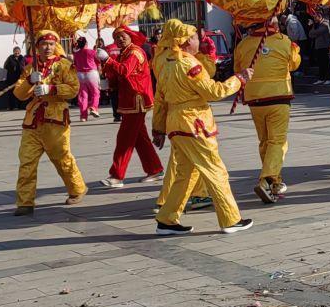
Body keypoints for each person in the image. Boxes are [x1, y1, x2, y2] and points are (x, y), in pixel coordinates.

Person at [152, 19, 254, 235]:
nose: (199, 40)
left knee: (185, 174)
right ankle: (230, 219)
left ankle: (167, 219)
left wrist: (158, 128)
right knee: (215, 170)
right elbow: (213, 92)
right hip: (194, 124)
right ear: (187, 41)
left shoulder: (164, 63)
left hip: (175, 122)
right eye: (196, 37)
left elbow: (160, 99)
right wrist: (238, 80)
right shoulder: (189, 64)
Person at [12, 30, 88, 216]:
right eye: (44, 44)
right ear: (37, 46)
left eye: (51, 44)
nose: (47, 47)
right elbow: (19, 94)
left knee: (62, 158)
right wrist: (30, 81)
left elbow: (73, 90)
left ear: (56, 46)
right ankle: (25, 202)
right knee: (26, 161)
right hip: (32, 122)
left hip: (56, 120)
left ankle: (77, 188)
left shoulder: (64, 65)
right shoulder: (31, 67)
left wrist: (51, 88)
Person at [232, 18, 302, 203]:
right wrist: (295, 50)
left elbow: (238, 69)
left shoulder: (243, 44)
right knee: (277, 142)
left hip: (255, 99)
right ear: (274, 25)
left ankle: (275, 182)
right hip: (278, 97)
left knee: (265, 141)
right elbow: (294, 64)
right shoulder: (283, 41)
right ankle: (268, 179)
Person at [96, 26, 163, 188]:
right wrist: (108, 80)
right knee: (140, 139)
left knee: (124, 139)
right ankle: (155, 169)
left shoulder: (134, 52)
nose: (119, 39)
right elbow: (119, 75)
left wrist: (107, 60)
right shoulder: (124, 52)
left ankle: (117, 176)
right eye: (116, 37)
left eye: (122, 36)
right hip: (129, 99)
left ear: (131, 36)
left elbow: (125, 70)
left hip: (136, 99)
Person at [71, 36, 101, 121]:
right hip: (91, 73)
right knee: (96, 93)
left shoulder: (76, 54)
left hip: (80, 75)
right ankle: (94, 108)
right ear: (86, 43)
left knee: (83, 95)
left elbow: (75, 64)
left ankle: (83, 116)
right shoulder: (92, 52)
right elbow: (98, 62)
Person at [309, 12, 330, 84]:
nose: (314, 19)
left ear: (320, 16)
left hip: (325, 46)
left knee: (326, 63)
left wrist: (313, 28)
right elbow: (310, 34)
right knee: (320, 63)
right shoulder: (317, 25)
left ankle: (329, 78)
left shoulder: (324, 24)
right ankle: (321, 78)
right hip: (319, 46)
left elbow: (315, 32)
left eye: (315, 17)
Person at [3, 46, 26, 111]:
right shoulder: (10, 58)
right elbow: (5, 66)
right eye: (15, 51)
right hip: (11, 78)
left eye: (18, 51)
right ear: (13, 52)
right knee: (11, 93)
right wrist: (12, 67)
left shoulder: (22, 58)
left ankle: (20, 106)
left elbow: (25, 66)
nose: (17, 52)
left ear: (20, 52)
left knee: (20, 92)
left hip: (20, 77)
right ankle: (11, 106)